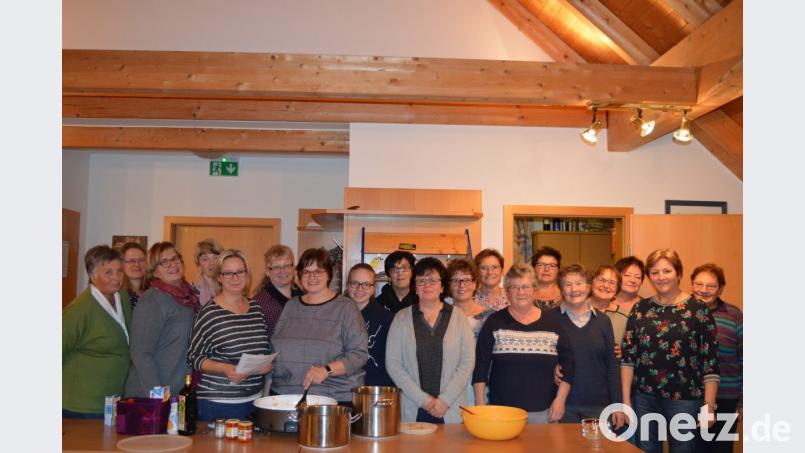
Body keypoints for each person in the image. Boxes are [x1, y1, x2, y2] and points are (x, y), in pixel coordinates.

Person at [621, 249, 720, 453]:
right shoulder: (640, 309)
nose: (661, 277)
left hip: (685, 400)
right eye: (655, 272)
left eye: (667, 271)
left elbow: (710, 362)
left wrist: (709, 406)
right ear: (649, 277)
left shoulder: (698, 310)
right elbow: (628, 359)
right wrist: (626, 401)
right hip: (644, 398)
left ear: (679, 273)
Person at [472, 262, 574, 424]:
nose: (521, 292)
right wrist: (480, 405)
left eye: (526, 287)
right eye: (514, 287)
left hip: (544, 413)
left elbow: (569, 364)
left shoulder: (553, 324)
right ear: (506, 292)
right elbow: (480, 366)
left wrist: (560, 400)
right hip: (501, 414)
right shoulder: (494, 322)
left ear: (534, 290)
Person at [270, 248, 368, 405]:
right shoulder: (291, 305)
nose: (312, 277)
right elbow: (275, 347)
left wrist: (327, 370)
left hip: (332, 399)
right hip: (285, 395)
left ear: (328, 274)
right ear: (300, 275)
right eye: (307, 272)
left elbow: (359, 354)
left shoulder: (346, 307)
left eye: (318, 271)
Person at [386, 257, 475, 424]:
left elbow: (467, 362)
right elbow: (393, 364)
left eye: (433, 280)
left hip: (450, 408)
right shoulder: (401, 318)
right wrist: (424, 400)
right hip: (414, 407)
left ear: (442, 287)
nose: (427, 285)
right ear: (415, 287)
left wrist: (445, 400)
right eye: (421, 281)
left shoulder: (458, 317)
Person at [187, 249, 273, 420]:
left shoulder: (256, 309)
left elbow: (261, 349)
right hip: (219, 403)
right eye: (228, 273)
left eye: (240, 272)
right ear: (219, 277)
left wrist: (264, 364)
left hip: (254, 401)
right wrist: (225, 368)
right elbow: (193, 357)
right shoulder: (210, 313)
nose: (235, 278)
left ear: (247, 275)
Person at [63, 245, 132, 418]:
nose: (116, 278)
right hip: (82, 405)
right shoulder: (79, 311)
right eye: (108, 272)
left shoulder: (122, 296)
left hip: (113, 400)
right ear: (92, 276)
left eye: (119, 271)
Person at [125, 242, 198, 397]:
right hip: (151, 394)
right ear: (154, 271)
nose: (172, 264)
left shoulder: (188, 296)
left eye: (175, 258)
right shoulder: (153, 300)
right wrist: (158, 394)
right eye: (164, 262)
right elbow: (140, 352)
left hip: (177, 388)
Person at [555, 264, 625, 427]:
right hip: (562, 404)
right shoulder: (551, 319)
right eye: (567, 284)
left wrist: (617, 405)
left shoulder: (603, 321)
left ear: (588, 287)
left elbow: (612, 366)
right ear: (561, 289)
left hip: (599, 405)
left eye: (579, 283)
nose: (574, 289)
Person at [691, 263, 742, 453]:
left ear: (720, 288)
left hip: (727, 398)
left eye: (710, 286)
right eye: (698, 284)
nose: (703, 290)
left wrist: (743, 402)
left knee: (722, 449)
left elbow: (746, 358)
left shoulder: (734, 315)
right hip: (692, 399)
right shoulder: (683, 313)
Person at [345, 263, 394, 387]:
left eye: (366, 284)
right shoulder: (336, 317)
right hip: (342, 389)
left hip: (375, 390)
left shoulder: (388, 319)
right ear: (347, 285)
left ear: (373, 289)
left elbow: (394, 362)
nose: (360, 289)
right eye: (354, 283)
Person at [253, 244, 303, 341]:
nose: (282, 271)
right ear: (267, 271)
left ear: (293, 268)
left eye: (287, 265)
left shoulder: (305, 297)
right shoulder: (259, 304)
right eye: (276, 267)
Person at [589, 264, 628, 358]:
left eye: (612, 282)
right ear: (591, 282)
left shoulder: (624, 317)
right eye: (601, 280)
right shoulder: (575, 309)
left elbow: (630, 350)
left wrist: (623, 353)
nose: (606, 285)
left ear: (617, 289)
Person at [191, 238, 223, 307]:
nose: (211, 263)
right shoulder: (191, 291)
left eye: (215, 258)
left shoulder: (228, 287)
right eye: (205, 259)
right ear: (198, 263)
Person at [121, 242, 146, 309]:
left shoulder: (154, 290)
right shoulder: (116, 293)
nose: (137, 265)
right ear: (122, 264)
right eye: (131, 261)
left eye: (141, 260)